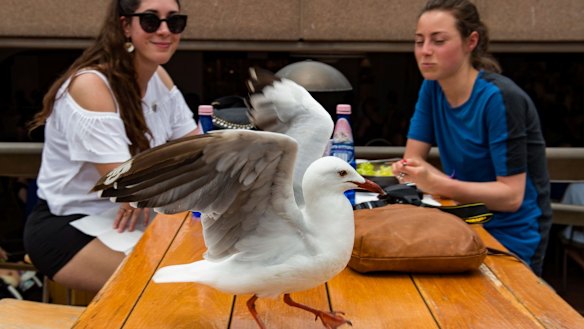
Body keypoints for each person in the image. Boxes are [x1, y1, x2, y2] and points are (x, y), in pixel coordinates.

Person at [23, 0, 198, 293]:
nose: (165, 30)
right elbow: (126, 185)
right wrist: (159, 178)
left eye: (175, 21)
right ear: (125, 25)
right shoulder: (91, 85)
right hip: (68, 227)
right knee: (166, 289)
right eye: (151, 21)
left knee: (201, 270)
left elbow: (197, 153)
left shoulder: (159, 78)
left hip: (131, 222)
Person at [392, 0, 552, 276]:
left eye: (438, 41)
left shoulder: (500, 98)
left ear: (471, 41)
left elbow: (511, 197)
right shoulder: (432, 87)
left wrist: (438, 182)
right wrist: (421, 175)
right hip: (462, 221)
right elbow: (412, 160)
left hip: (511, 235)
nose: (425, 52)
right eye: (419, 41)